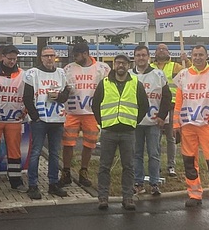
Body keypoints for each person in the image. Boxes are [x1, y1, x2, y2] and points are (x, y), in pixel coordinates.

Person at [173, 45, 209, 216]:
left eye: (201, 55)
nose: (198, 57)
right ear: (191, 56)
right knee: (189, 162)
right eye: (195, 55)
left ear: (207, 56)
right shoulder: (183, 75)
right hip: (188, 126)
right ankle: (194, 195)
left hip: (207, 127)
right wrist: (176, 124)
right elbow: (178, 102)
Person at [91, 53, 149, 210]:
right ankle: (103, 198)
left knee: (128, 166)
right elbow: (95, 104)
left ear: (128, 66)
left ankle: (128, 198)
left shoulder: (136, 84)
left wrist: (133, 122)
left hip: (128, 132)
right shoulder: (105, 83)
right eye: (117, 63)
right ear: (114, 65)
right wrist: (101, 122)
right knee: (104, 166)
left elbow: (144, 106)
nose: (120, 65)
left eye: (123, 63)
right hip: (109, 130)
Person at [61, 41, 111, 187]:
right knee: (67, 143)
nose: (75, 58)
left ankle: (84, 171)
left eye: (77, 55)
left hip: (91, 113)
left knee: (89, 144)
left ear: (85, 54)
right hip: (72, 112)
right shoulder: (68, 68)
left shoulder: (102, 68)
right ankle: (66, 171)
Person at [23, 46, 70, 199]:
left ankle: (53, 183)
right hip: (40, 120)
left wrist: (59, 95)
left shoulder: (61, 73)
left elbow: (65, 97)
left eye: (52, 55)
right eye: (46, 56)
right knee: (36, 152)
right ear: (41, 58)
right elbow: (27, 97)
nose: (49, 58)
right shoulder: (33, 73)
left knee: (55, 153)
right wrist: (35, 116)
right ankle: (33, 185)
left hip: (57, 119)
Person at [0, 45, 28, 192]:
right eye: (9, 58)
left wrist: (26, 109)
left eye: (15, 59)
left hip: (14, 118)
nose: (12, 62)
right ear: (2, 57)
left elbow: (30, 93)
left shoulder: (23, 74)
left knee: (14, 151)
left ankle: (16, 181)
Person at [130, 45, 172, 196]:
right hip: (135, 122)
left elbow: (167, 97)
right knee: (136, 154)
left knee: (154, 153)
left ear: (148, 57)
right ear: (134, 57)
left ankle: (154, 183)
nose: (141, 58)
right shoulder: (129, 75)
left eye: (143, 55)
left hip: (153, 121)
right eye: (138, 55)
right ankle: (138, 182)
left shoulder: (158, 74)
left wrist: (162, 116)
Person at [151, 43, 188, 178]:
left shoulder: (176, 66)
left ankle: (171, 166)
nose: (161, 51)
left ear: (168, 52)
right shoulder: (151, 67)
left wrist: (187, 60)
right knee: (156, 137)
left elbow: (190, 73)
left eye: (164, 49)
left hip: (172, 105)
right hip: (157, 106)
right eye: (159, 49)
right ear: (155, 53)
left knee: (171, 137)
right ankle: (157, 165)